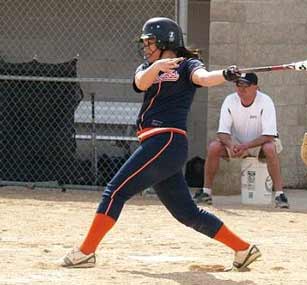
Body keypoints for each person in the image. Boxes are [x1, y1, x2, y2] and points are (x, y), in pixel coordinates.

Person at [59, 17, 261, 271]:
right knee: (187, 213)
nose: (146, 47)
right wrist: (158, 66)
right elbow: (140, 83)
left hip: (166, 140)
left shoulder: (188, 65)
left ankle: (85, 252)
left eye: (150, 42)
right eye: (145, 42)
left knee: (115, 191)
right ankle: (243, 249)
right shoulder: (148, 67)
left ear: (167, 41)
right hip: (161, 146)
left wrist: (224, 74)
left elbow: (204, 78)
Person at [193, 73, 289, 208]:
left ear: (256, 87)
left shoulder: (266, 101)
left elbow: (269, 135)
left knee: (270, 148)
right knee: (214, 147)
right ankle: (206, 192)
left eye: (246, 85)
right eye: (239, 85)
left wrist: (246, 146)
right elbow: (222, 132)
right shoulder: (230, 100)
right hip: (237, 144)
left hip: (260, 143)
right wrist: (231, 145)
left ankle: (280, 195)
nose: (241, 89)